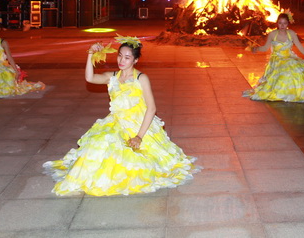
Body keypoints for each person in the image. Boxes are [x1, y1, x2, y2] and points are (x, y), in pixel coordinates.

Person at [43, 36, 197, 196]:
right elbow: (89, 78)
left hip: (138, 124)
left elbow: (151, 109)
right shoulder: (113, 76)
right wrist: (90, 54)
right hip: (116, 121)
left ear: (135, 60)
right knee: (100, 142)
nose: (122, 60)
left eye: (127, 57)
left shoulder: (141, 78)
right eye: (120, 56)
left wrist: (139, 136)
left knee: (132, 159)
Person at [244, 12, 304, 102]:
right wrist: (256, 49)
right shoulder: (272, 34)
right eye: (280, 23)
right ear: (277, 23)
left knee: (300, 66)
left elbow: (300, 47)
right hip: (277, 59)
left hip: (290, 56)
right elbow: (265, 48)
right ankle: (284, 93)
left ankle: (297, 92)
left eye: (284, 23)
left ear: (288, 24)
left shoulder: (291, 33)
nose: (282, 25)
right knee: (287, 68)